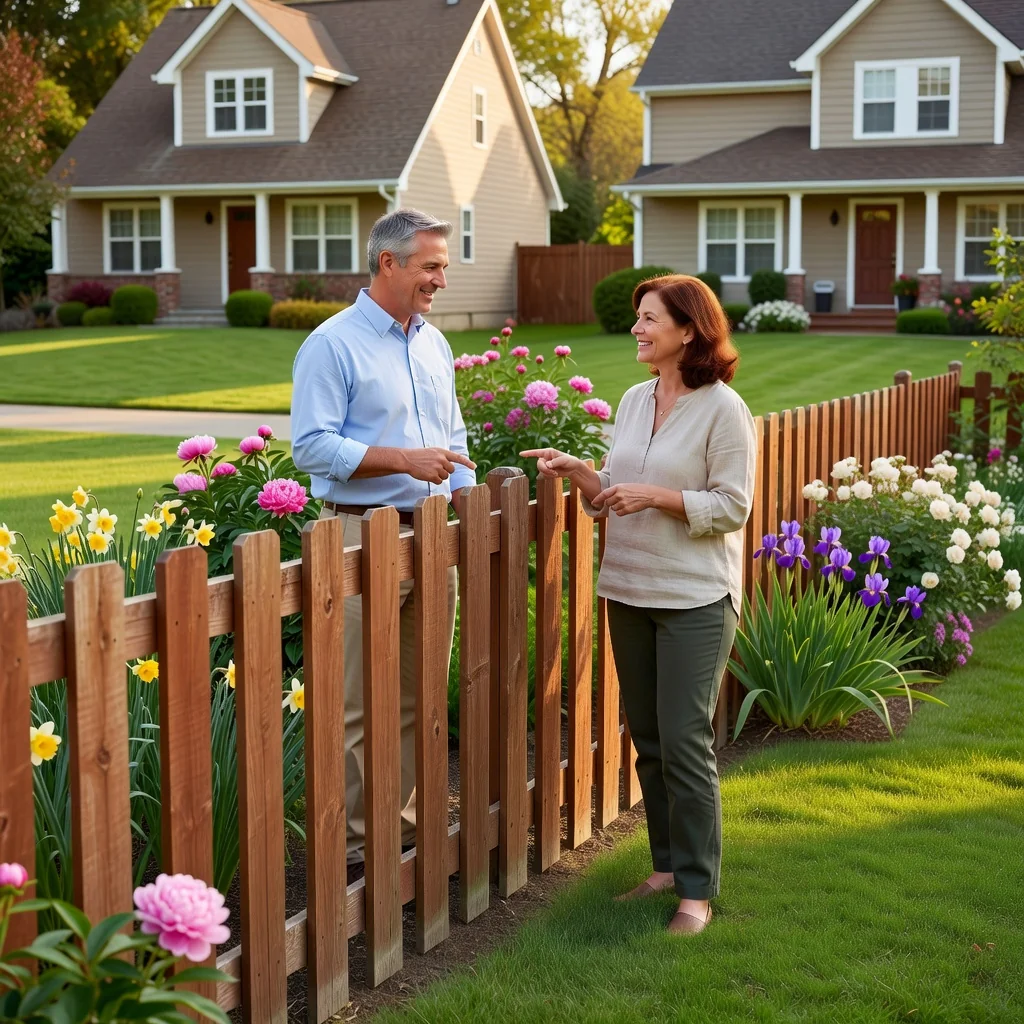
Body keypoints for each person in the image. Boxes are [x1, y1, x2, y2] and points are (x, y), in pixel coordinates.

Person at [521, 274, 756, 935]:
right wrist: (583, 474)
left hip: (694, 600)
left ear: (689, 331)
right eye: (638, 318)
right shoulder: (631, 399)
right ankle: (664, 865)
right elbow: (615, 494)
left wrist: (659, 497)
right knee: (649, 740)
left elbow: (734, 505)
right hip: (628, 590)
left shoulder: (722, 410)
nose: (637, 328)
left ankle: (698, 891)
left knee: (684, 740)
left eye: (650, 318)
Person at [291, 208, 476, 869]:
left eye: (444, 267)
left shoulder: (433, 343)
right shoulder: (332, 344)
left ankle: (399, 830)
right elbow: (310, 446)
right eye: (430, 266)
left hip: (430, 539)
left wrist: (461, 498)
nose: (440, 280)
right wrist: (401, 460)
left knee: (416, 694)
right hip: (356, 536)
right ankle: (350, 849)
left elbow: (452, 439)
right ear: (388, 263)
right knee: (351, 704)